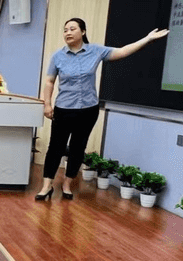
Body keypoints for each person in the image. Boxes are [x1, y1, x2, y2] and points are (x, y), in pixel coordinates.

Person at [36, 18, 169, 200]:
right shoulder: (57, 56)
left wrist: (147, 39)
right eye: (65, 29)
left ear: (82, 32)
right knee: (55, 148)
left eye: (72, 29)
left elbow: (122, 51)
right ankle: (46, 186)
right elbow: (49, 81)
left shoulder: (96, 51)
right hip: (63, 109)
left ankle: (67, 184)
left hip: (88, 110)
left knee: (77, 147)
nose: (67, 32)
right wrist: (47, 104)